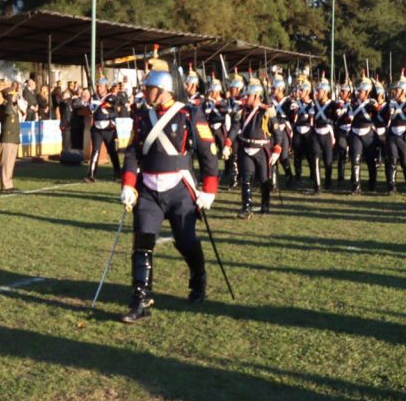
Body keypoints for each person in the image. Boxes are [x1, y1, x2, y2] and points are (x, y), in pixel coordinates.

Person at [119, 56, 218, 323]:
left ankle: (198, 278)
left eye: (149, 88)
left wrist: (209, 189)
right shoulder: (141, 116)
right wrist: (128, 184)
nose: (144, 92)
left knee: (186, 242)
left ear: (164, 90)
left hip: (179, 189)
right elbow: (132, 153)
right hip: (148, 189)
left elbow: (208, 153)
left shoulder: (190, 114)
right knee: (142, 243)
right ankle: (140, 299)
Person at [225, 77, 284, 217]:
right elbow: (234, 128)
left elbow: (277, 132)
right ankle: (246, 207)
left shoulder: (267, 111)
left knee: (264, 179)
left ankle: (265, 205)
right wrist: (227, 143)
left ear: (257, 96)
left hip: (262, 150)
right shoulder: (242, 111)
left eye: (249, 95)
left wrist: (277, 149)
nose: (246, 97)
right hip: (245, 147)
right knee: (246, 178)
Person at [85, 76, 121, 182]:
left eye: (101, 86)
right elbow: (90, 109)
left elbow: (110, 106)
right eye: (97, 86)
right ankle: (91, 174)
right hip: (97, 128)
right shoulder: (94, 97)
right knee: (95, 151)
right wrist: (91, 105)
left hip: (109, 129)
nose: (99, 88)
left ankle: (117, 173)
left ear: (106, 87)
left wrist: (100, 103)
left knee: (112, 152)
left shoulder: (112, 97)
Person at [0, 86, 21, 191]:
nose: (15, 97)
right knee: (5, 162)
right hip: (7, 138)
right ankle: (5, 184)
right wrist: (10, 101)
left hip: (14, 138)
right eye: (13, 95)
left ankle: (9, 183)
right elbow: (7, 112)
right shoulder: (4, 106)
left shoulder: (13, 106)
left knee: (11, 163)